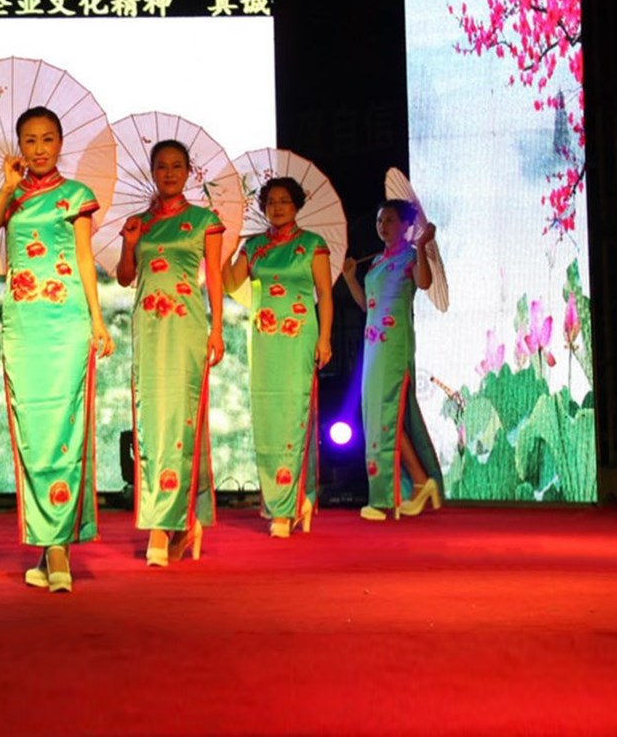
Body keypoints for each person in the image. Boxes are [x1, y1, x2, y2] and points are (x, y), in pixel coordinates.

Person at [0, 106, 112, 591]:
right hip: (24, 324)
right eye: (30, 140)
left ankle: (57, 551)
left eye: (48, 139)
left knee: (66, 424)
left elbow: (84, 259)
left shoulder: (76, 196)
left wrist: (97, 320)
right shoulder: (12, 196)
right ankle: (51, 547)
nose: (39, 149)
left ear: (60, 143)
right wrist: (7, 187)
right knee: (32, 428)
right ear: (19, 146)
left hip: (67, 320)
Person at [116, 139, 225, 567]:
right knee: (151, 422)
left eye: (177, 166)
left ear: (188, 171)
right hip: (148, 329)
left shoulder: (204, 221)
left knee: (183, 420)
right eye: (161, 166)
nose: (169, 173)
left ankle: (164, 526)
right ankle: (182, 522)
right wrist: (129, 243)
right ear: (152, 172)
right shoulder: (139, 223)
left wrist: (217, 330)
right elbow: (125, 277)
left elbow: (213, 279)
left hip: (186, 328)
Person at [222, 177, 332, 539]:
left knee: (295, 414)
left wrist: (325, 338)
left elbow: (325, 295)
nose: (277, 207)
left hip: (300, 336)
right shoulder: (254, 246)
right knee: (268, 417)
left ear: (296, 205)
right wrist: (227, 249)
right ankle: (287, 501)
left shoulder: (312, 244)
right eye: (271, 202)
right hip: (265, 339)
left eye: (284, 201)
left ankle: (289, 505)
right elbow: (230, 284)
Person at [342, 198, 444, 520]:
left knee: (387, 413)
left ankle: (384, 498)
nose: (382, 226)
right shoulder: (376, 262)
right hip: (373, 346)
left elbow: (424, 283)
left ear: (405, 225)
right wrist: (350, 278)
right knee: (381, 417)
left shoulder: (408, 257)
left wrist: (422, 247)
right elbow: (366, 306)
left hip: (395, 344)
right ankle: (419, 480)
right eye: (379, 221)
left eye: (389, 220)